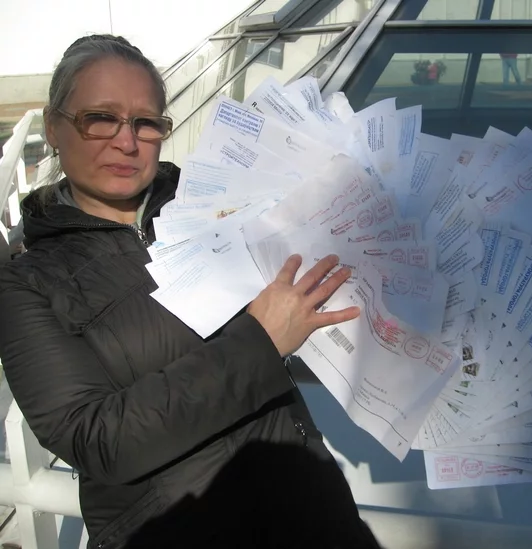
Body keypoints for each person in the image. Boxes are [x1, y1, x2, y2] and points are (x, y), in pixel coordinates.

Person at [0, 35, 381, 549]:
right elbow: (98, 439)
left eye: (145, 122)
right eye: (101, 118)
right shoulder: (27, 283)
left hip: (315, 513)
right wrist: (261, 342)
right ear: (53, 126)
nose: (127, 142)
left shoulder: (221, 203)